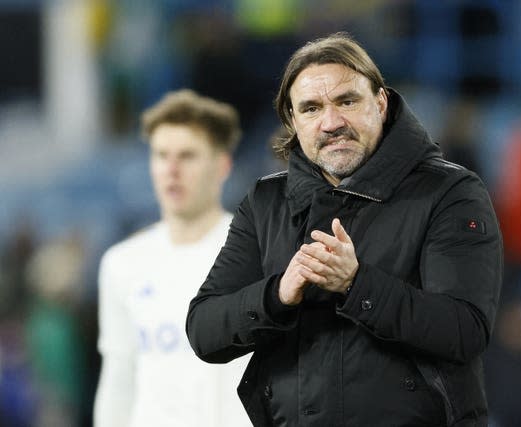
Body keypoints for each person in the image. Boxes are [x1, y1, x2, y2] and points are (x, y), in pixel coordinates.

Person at [186, 33, 503, 427]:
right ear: (292, 121)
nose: (331, 122)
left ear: (381, 103)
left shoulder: (450, 192)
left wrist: (356, 285)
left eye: (347, 101)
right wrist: (277, 294)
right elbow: (204, 330)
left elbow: (464, 330)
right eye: (312, 108)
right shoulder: (266, 201)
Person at [94, 89, 252, 427]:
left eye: (188, 156)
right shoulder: (121, 263)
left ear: (222, 165)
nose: (172, 169)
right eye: (161, 155)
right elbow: (118, 380)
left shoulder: (257, 254)